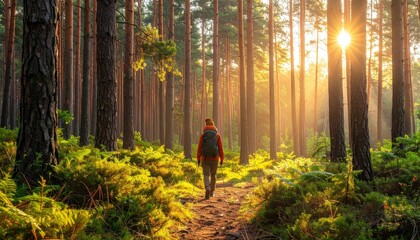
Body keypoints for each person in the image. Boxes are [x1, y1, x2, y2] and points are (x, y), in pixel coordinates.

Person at [197, 118, 224, 199]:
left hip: (204, 158)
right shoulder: (217, 136)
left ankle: (207, 188)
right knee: (213, 174)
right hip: (215, 158)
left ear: (206, 126)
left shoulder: (203, 135)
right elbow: (220, 148)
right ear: (213, 125)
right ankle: (212, 191)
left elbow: (199, 147)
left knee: (206, 174)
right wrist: (222, 159)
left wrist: (198, 158)